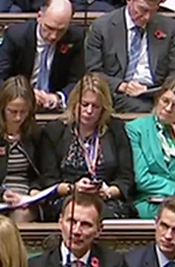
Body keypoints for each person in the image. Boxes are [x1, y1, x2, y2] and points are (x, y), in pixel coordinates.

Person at [42, 74, 135, 219]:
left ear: (103, 108)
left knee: (105, 214)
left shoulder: (116, 129)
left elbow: (125, 178)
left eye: (95, 106)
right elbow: (48, 180)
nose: (89, 111)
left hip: (106, 200)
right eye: (84, 104)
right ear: (74, 103)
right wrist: (73, 188)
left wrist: (109, 191)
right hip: (67, 197)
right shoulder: (55, 131)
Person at [85, 0, 175, 113]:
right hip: (119, 94)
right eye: (142, 9)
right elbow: (94, 74)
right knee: (149, 110)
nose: (147, 17)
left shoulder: (168, 27)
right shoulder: (102, 27)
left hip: (157, 92)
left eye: (153, 11)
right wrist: (123, 86)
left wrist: (165, 92)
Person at [0, 77, 51, 223]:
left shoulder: (36, 133)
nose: (18, 117)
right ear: (2, 108)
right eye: (12, 111)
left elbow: (44, 173)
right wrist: (2, 195)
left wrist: (35, 190)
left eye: (23, 111)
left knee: (21, 215)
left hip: (26, 199)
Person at [126, 76, 175, 219]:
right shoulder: (136, 128)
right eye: (165, 101)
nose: (168, 108)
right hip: (150, 202)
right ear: (158, 99)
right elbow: (142, 179)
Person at [0, 0, 83, 113]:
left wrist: (57, 98)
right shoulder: (16, 35)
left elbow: (77, 80)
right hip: (18, 97)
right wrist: (24, 94)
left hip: (53, 103)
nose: (53, 36)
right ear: (39, 17)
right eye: (49, 28)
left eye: (61, 30)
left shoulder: (75, 38)